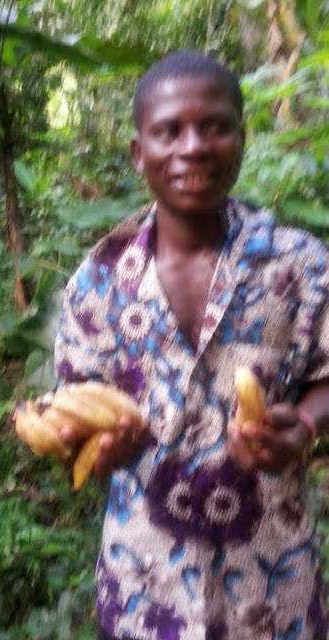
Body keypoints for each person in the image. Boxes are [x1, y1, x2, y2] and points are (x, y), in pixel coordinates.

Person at [53, 50, 329, 639]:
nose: (194, 147)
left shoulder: (301, 265)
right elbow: (70, 414)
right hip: (145, 591)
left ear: (241, 140)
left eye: (215, 126)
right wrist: (100, 451)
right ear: (139, 152)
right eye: (170, 130)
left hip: (272, 590)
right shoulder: (98, 284)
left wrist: (304, 425)